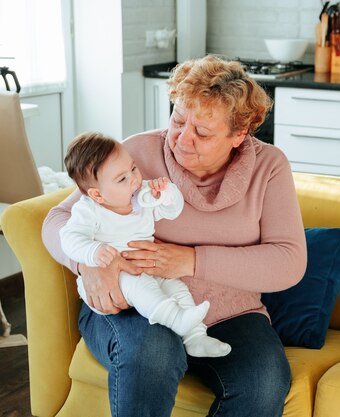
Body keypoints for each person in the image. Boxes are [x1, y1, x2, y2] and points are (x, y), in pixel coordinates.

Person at [42, 55, 307, 417]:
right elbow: (58, 218)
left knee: (263, 383)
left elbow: (288, 262)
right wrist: (87, 264)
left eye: (202, 132)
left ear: (238, 135)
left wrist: (189, 260)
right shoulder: (136, 154)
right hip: (134, 305)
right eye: (178, 120)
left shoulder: (269, 167)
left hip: (231, 312)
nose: (182, 139)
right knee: (154, 352)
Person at [60, 132, 231, 358]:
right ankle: (175, 320)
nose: (134, 179)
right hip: (112, 281)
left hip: (148, 270)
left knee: (176, 287)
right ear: (98, 195)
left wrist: (167, 195)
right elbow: (69, 237)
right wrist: (93, 252)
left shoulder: (141, 195)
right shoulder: (89, 210)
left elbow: (172, 212)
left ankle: (196, 338)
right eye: (122, 179)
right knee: (140, 285)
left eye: (133, 168)